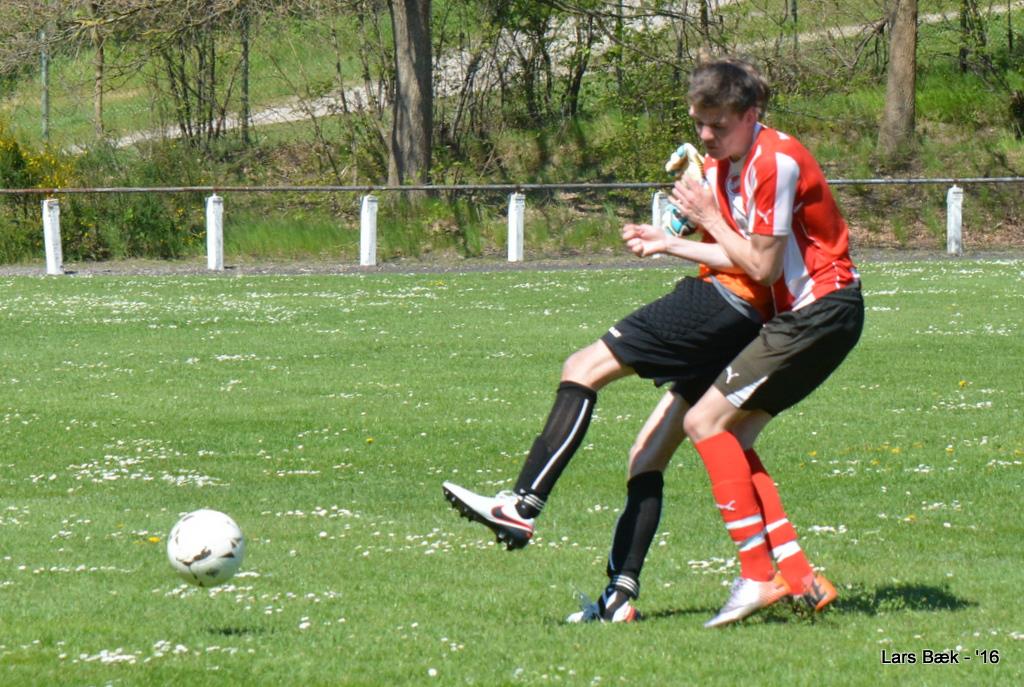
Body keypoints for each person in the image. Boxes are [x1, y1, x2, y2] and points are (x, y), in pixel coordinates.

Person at [574, 56, 862, 628]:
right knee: (731, 434)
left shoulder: (774, 161)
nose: (706, 135)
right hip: (802, 317)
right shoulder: (731, 162)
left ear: (750, 114)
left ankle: (756, 575)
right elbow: (733, 249)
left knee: (703, 423)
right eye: (699, 124)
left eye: (718, 125)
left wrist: (708, 213)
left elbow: (759, 265)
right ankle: (798, 574)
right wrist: (670, 238)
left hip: (818, 311)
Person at [441, 131, 777, 623]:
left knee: (582, 367)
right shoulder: (745, 164)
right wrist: (682, 214)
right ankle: (618, 597)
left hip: (721, 301)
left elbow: (747, 250)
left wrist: (688, 216)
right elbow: (706, 226)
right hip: (745, 323)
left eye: (709, 122)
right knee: (647, 456)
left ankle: (522, 506)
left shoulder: (756, 167)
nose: (702, 131)